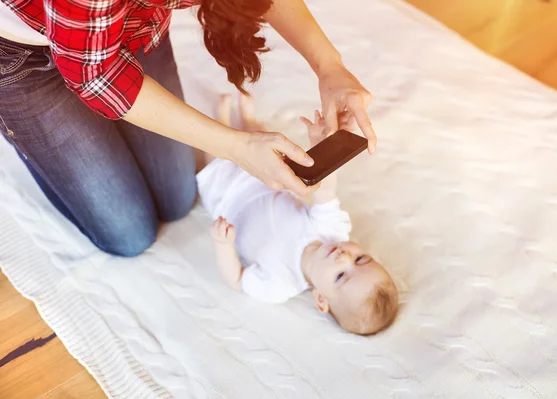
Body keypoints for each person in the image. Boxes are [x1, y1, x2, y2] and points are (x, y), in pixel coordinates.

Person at [0, 0, 376, 256]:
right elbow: (96, 78)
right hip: (25, 56)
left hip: (126, 27)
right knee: (130, 237)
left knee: (178, 200)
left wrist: (329, 66)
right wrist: (236, 146)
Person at [201, 95, 398, 335]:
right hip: (267, 182)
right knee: (268, 149)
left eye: (340, 276)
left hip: (228, 200)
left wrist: (223, 244)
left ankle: (219, 119)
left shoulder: (280, 284)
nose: (345, 257)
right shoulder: (332, 231)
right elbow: (325, 190)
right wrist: (322, 147)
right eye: (361, 259)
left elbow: (237, 280)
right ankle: (248, 119)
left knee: (216, 160)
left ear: (321, 300)